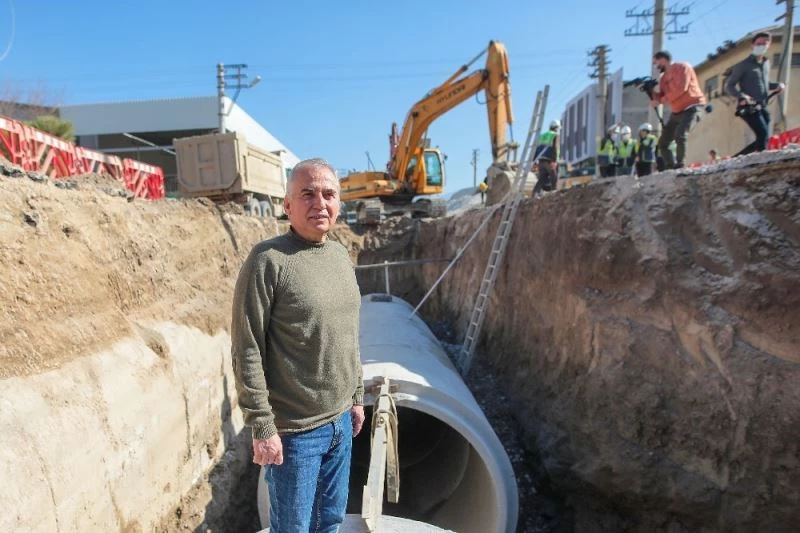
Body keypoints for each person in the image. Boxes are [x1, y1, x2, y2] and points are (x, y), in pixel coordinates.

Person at [231, 158, 365, 533]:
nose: (319, 203)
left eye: (328, 194)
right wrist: (262, 425)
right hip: (295, 434)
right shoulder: (268, 260)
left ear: (339, 203)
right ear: (287, 205)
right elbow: (247, 348)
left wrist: (356, 396)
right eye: (307, 194)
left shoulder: (339, 255)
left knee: (330, 522)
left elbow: (346, 332)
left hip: (340, 423)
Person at [726, 31, 785, 156]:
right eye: (759, 43)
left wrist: (777, 86)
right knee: (762, 133)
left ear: (768, 45)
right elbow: (729, 85)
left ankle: (741, 157)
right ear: (752, 45)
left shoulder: (765, 64)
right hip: (748, 106)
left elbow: (763, 84)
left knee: (763, 135)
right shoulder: (743, 65)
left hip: (762, 105)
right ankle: (761, 159)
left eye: (764, 44)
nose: (761, 46)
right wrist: (742, 96)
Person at [651, 50, 706, 169]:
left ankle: (680, 165)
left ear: (663, 60)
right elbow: (661, 96)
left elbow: (682, 88)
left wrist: (660, 100)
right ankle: (671, 167)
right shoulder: (663, 79)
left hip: (692, 106)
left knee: (680, 135)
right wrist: (651, 91)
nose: (656, 66)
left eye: (656, 63)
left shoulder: (683, 67)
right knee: (663, 143)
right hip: (677, 112)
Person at [533, 119, 560, 195]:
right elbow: (555, 148)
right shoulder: (555, 135)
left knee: (542, 178)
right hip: (549, 160)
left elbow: (536, 149)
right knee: (554, 177)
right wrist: (554, 161)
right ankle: (554, 193)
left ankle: (535, 193)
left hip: (541, 161)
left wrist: (534, 161)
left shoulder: (541, 136)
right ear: (556, 128)